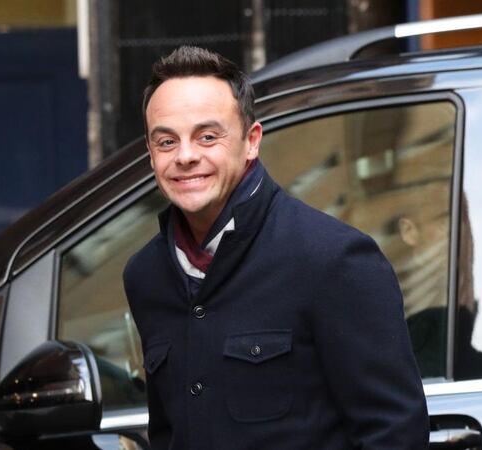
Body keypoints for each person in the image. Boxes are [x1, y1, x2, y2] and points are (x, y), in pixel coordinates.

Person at [122, 46, 429, 449]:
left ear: (251, 141)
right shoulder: (146, 275)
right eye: (166, 142)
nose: (185, 156)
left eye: (208, 136)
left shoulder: (332, 259)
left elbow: (395, 435)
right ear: (150, 154)